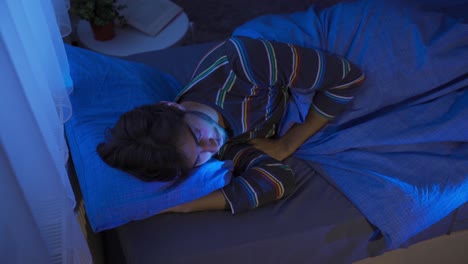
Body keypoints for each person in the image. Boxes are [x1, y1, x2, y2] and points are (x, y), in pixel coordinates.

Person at [97, 36, 365, 214]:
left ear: (172, 106)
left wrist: (288, 143)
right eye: (199, 156)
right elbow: (276, 180)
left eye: (197, 134)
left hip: (286, 52)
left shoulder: (243, 64)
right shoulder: (220, 151)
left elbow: (348, 77)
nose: (213, 144)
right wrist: (184, 206)